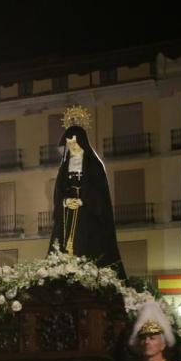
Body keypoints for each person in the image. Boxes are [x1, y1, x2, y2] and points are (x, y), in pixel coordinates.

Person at [47, 106, 125, 277]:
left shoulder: (94, 165)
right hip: (67, 215)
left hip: (87, 216)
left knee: (87, 248)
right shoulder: (65, 166)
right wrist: (65, 201)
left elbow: (100, 192)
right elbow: (59, 191)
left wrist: (83, 201)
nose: (72, 147)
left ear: (82, 142)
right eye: (69, 144)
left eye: (74, 143)